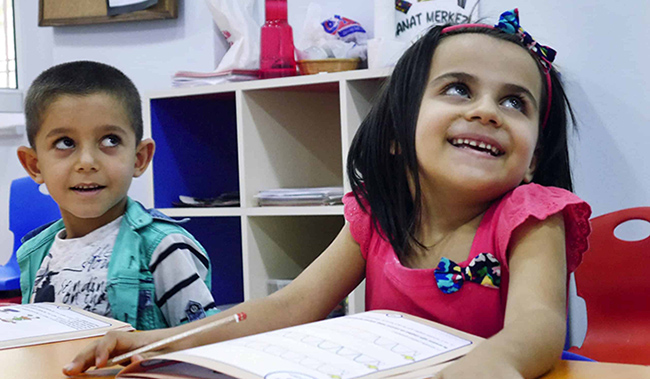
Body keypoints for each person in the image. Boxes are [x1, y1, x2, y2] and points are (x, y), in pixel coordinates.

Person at [64, 9, 591, 379]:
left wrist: (499, 364)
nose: (486, 111)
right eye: (458, 89)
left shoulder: (532, 215)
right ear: (394, 133)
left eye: (516, 102)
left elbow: (539, 323)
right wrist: (156, 341)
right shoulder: (378, 217)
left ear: (534, 160)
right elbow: (291, 305)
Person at [17, 61, 219, 331]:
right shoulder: (35, 253)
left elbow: (203, 339)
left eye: (110, 140)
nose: (87, 162)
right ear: (34, 165)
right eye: (65, 143)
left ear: (139, 158)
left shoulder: (162, 248)